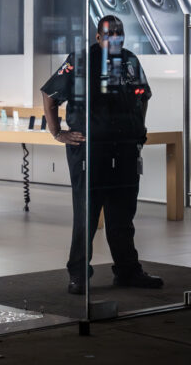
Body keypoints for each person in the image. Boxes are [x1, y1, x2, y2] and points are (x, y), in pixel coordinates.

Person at [41, 15, 164, 295]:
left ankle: (127, 271)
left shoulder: (131, 60)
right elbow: (49, 94)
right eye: (109, 34)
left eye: (119, 33)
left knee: (122, 214)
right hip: (90, 149)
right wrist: (56, 131)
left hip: (124, 149)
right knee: (87, 214)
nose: (115, 38)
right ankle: (79, 274)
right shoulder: (81, 60)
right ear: (98, 37)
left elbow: (142, 96)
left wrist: (139, 130)